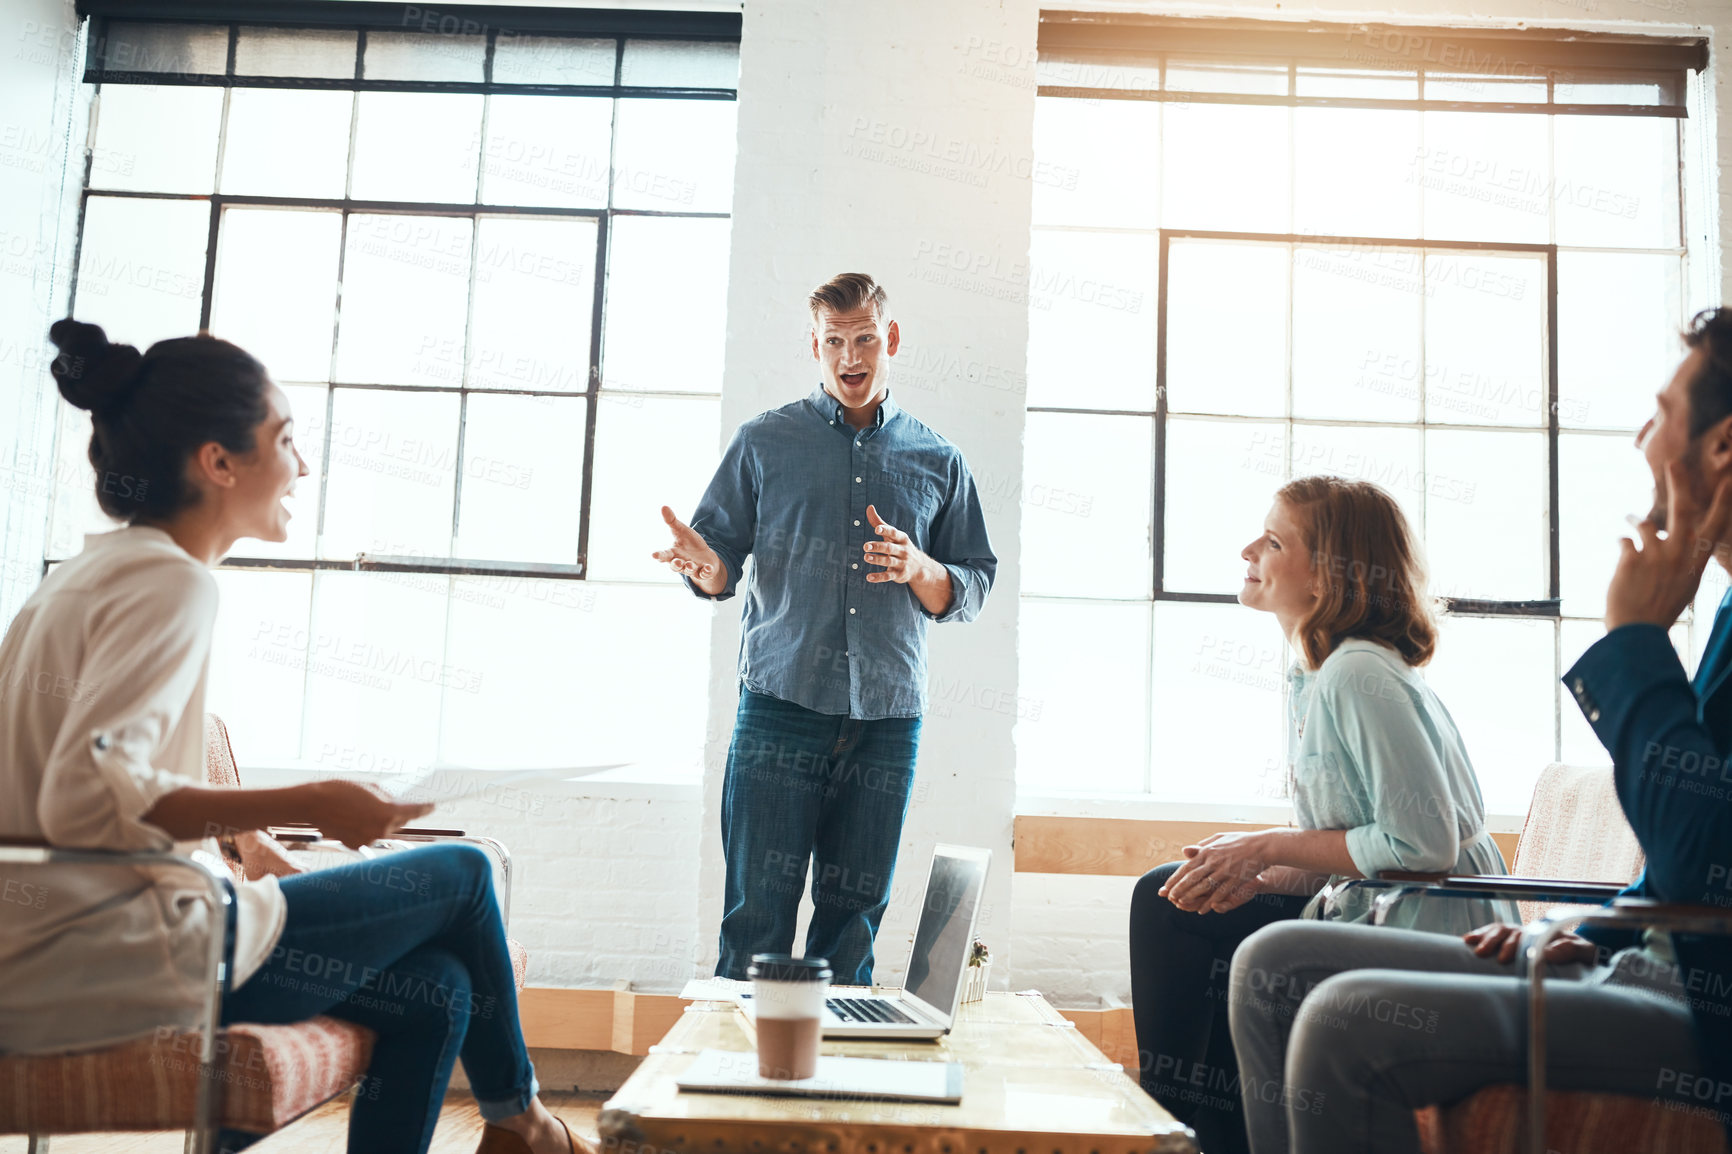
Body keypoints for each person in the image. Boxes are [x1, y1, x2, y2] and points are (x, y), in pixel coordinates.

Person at [0, 321, 586, 1154]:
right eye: (285, 441)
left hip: (50, 946)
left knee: (437, 989)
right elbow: (87, 798)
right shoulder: (171, 585)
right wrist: (312, 801)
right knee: (463, 873)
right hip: (117, 951)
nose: (302, 467)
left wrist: (262, 839)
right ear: (219, 462)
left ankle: (517, 1127)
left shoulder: (89, 576)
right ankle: (527, 1125)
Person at [1228, 307, 1732, 1154]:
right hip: (1640, 959)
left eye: (1661, 414)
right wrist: (1574, 929)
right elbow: (1691, 865)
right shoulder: (1724, 609)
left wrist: (1637, 645)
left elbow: (1701, 846)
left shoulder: (1359, 669)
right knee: (1270, 966)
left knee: (1346, 1020)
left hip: (1696, 997)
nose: (1643, 437)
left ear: (1720, 448)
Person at [1128, 475, 1511, 1154]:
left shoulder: (1357, 674)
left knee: (1169, 910)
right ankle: (1199, 1134)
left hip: (1438, 923)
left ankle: (1180, 1135)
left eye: (1274, 541)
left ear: (1328, 576)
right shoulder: (1319, 669)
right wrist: (1266, 874)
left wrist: (1265, 846)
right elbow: (1361, 847)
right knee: (1174, 897)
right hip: (1388, 903)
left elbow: (1423, 846)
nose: (1249, 548)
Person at [651, 273, 997, 984]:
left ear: (890, 339)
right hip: (780, 709)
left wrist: (918, 566)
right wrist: (703, 565)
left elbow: (972, 584)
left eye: (864, 338)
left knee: (854, 918)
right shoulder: (764, 443)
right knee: (757, 917)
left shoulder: (939, 459)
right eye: (834, 342)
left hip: (887, 718)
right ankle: (742, 1089)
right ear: (815, 345)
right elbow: (718, 569)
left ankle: (836, 1088)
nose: (850, 357)